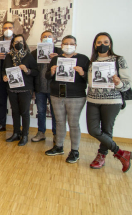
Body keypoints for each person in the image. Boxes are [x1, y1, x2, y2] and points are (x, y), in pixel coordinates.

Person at [86, 32, 131, 172]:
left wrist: (118, 83)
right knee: (93, 130)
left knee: (106, 130)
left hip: (112, 101)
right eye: (99, 42)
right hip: (93, 99)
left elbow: (127, 83)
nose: (102, 45)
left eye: (106, 42)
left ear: (110, 44)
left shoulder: (119, 59)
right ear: (95, 44)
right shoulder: (91, 61)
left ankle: (101, 156)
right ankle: (121, 153)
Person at [45, 35, 89, 163]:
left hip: (76, 96)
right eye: (65, 43)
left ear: (75, 45)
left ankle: (75, 150)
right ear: (62, 45)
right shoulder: (56, 59)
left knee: (73, 124)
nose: (68, 46)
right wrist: (52, 72)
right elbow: (47, 76)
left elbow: (90, 79)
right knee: (59, 122)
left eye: (71, 43)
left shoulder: (83, 59)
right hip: (56, 95)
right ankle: (58, 146)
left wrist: (82, 73)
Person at [2, 34, 38, 146]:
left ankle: (25, 135)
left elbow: (35, 71)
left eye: (21, 41)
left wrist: (27, 70)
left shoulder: (28, 56)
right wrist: (4, 76)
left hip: (25, 89)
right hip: (12, 88)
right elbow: (4, 70)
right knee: (15, 112)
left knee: (25, 112)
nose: (18, 43)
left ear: (24, 43)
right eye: (16, 41)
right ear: (12, 43)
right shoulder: (8, 56)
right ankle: (16, 133)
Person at [31, 31, 62, 143]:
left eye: (49, 36)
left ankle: (56, 134)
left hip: (54, 88)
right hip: (40, 88)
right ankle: (41, 132)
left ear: (54, 39)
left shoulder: (60, 52)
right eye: (44, 37)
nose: (47, 38)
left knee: (55, 112)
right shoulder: (34, 53)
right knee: (41, 111)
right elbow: (33, 70)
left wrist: (58, 58)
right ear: (41, 39)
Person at [0, 21, 14, 134]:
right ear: (2, 30)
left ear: (13, 29)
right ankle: (1, 124)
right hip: (1, 77)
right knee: (2, 102)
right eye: (5, 28)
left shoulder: (19, 41)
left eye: (10, 27)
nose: (7, 29)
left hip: (14, 77)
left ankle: (17, 128)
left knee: (15, 104)